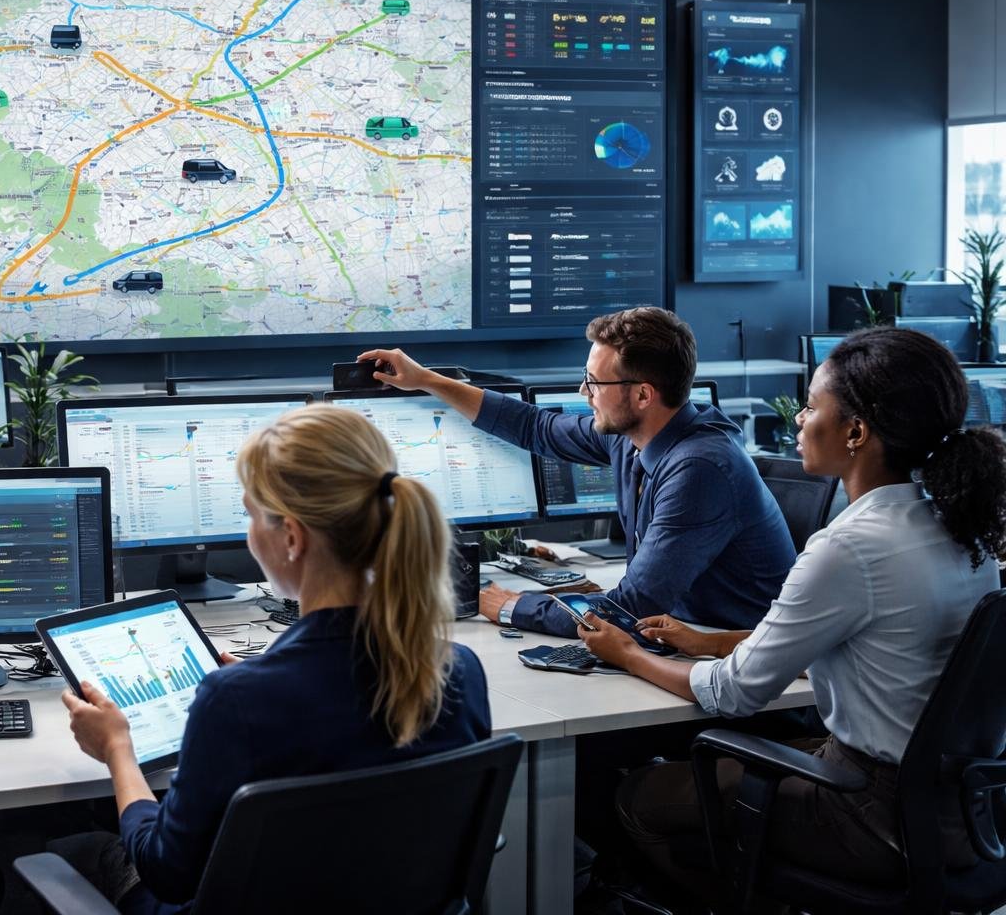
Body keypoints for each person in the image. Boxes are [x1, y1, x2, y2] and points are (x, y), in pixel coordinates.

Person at [576, 327, 1006, 899]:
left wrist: (626, 653)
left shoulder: (848, 547)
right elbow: (877, 649)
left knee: (635, 796)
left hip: (867, 814)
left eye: (810, 407)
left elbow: (734, 695)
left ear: (856, 432)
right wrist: (710, 642)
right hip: (957, 813)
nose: (799, 421)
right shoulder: (955, 529)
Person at [57, 405, 492, 913]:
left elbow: (167, 873)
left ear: (291, 536)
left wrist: (117, 751)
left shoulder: (236, 702)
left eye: (249, 512)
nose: (247, 530)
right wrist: (253, 685)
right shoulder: (457, 669)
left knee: (74, 850)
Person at [360, 306, 797, 638]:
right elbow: (536, 426)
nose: (582, 392)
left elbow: (626, 611)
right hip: (679, 635)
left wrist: (512, 606)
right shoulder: (634, 434)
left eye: (594, 382)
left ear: (643, 394)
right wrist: (429, 381)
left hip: (731, 658)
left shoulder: (700, 468)